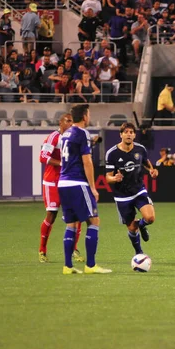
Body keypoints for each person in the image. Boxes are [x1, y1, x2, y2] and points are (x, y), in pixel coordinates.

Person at [58, 104, 111, 275]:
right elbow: (87, 162)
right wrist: (93, 188)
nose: (89, 117)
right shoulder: (82, 133)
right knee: (94, 221)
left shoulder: (65, 134)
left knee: (71, 224)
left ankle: (67, 266)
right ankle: (90, 265)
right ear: (85, 116)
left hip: (63, 183)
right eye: (89, 114)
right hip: (77, 182)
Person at [105, 122, 159, 256]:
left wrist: (152, 170)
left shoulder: (140, 149)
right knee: (131, 228)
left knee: (150, 217)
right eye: (126, 132)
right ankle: (139, 253)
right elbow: (107, 177)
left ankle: (142, 225)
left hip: (138, 190)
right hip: (122, 195)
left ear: (134, 135)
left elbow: (146, 162)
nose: (129, 134)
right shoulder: (112, 154)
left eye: (131, 132)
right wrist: (114, 179)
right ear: (121, 135)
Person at [38, 113, 84, 263]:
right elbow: (43, 157)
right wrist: (62, 163)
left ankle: (74, 249)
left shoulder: (74, 138)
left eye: (72, 121)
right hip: (52, 182)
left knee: (77, 216)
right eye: (68, 121)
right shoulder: (53, 137)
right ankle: (42, 250)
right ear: (60, 123)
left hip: (68, 181)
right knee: (51, 216)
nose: (71, 124)